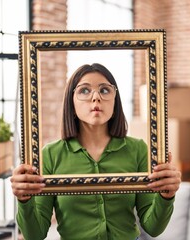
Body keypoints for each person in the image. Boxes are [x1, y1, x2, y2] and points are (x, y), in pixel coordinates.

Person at [10, 63, 181, 240]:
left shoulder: (138, 150)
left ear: (115, 100)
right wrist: (24, 200)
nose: (96, 98)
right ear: (71, 101)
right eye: (84, 90)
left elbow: (153, 228)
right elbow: (34, 235)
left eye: (105, 90)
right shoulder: (50, 155)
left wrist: (166, 196)